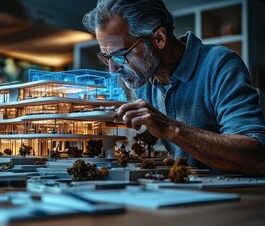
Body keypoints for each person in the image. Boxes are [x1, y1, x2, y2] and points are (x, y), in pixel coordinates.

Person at [82, 0, 265, 176]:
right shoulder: (144, 80)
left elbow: (257, 158)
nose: (113, 70)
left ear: (159, 38)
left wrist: (170, 129)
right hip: (186, 192)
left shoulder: (220, 65)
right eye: (106, 58)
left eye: (120, 56)